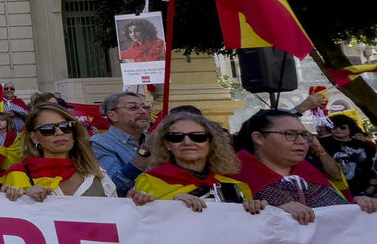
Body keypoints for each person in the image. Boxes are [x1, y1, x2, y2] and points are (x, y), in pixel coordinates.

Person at [232, 109, 377, 225]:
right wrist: (272, 213)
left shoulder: (314, 174)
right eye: (290, 134)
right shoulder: (229, 183)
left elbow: (342, 220)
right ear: (259, 138)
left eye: (304, 135)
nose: (301, 141)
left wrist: (357, 207)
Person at [129, 111, 263, 213]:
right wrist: (172, 204)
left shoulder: (235, 185)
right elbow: (143, 225)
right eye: (176, 137)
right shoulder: (149, 181)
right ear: (167, 144)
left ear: (211, 143)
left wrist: (256, 210)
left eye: (198, 137)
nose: (187, 142)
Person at [0, 103, 115, 199]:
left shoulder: (96, 173)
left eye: (66, 126)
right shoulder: (17, 175)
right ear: (34, 137)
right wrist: (23, 198)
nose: (60, 132)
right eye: (48, 129)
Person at [88, 91, 151, 195]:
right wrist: (146, 152)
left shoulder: (152, 138)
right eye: (132, 107)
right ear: (113, 115)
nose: (143, 111)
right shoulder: (100, 143)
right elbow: (114, 185)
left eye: (145, 107)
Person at [319, 114, 376, 197]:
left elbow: (372, 169)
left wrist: (371, 188)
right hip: (336, 192)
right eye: (334, 127)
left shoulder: (364, 145)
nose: (338, 130)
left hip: (365, 190)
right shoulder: (322, 143)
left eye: (342, 127)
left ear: (350, 128)